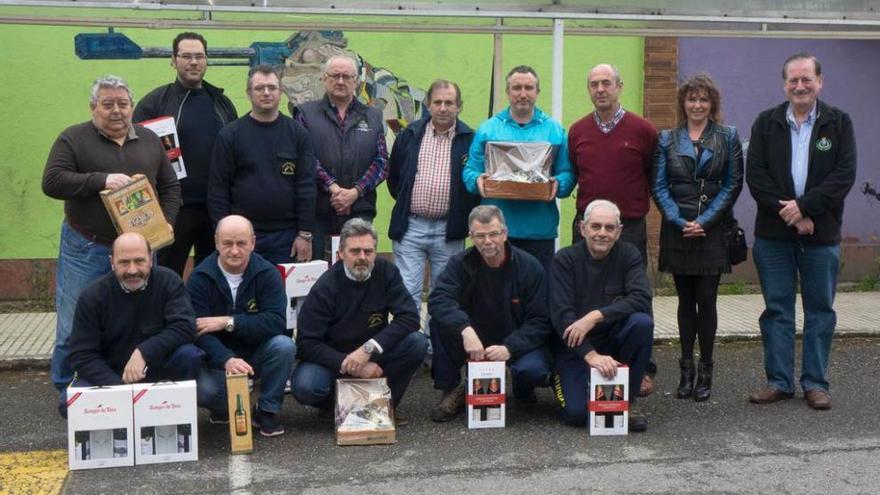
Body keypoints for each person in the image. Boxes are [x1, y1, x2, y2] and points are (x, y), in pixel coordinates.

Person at [42, 75, 182, 392]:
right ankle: (67, 387)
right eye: (107, 104)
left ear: (132, 107)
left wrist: (167, 220)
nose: (116, 111)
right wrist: (101, 180)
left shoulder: (149, 140)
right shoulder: (73, 139)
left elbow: (171, 187)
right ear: (94, 107)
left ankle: (135, 377)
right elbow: (52, 182)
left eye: (122, 104)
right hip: (87, 246)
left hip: (140, 249)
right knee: (73, 319)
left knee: (142, 317)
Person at [746, 53, 856, 410]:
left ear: (819, 82)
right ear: (784, 84)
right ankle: (779, 381)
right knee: (777, 310)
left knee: (820, 310)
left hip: (820, 236)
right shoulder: (766, 122)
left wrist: (806, 208)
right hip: (774, 237)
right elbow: (757, 177)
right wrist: (793, 215)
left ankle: (815, 383)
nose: (800, 85)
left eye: (806, 79)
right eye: (793, 80)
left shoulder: (839, 123)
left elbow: (843, 176)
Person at [568, 63, 659, 396]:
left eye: (606, 83)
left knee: (638, 298)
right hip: (587, 225)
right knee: (582, 293)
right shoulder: (577, 131)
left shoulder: (644, 130)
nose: (600, 89)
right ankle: (584, 354)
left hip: (629, 225)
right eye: (594, 84)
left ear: (620, 86)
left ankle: (643, 368)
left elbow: (653, 174)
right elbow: (576, 173)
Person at [652, 74, 744, 401]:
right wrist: (678, 220)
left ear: (712, 104)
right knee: (684, 302)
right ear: (683, 103)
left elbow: (733, 184)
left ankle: (706, 370)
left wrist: (704, 220)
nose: (697, 105)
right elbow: (659, 186)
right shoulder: (666, 138)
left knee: (707, 300)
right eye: (692, 99)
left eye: (703, 99)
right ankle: (685, 370)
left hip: (712, 230)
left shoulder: (728, 136)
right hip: (678, 231)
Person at [292, 219, 427, 421]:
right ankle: (337, 408)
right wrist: (351, 365)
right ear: (341, 254)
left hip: (373, 354)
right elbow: (306, 343)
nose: (362, 257)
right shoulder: (324, 287)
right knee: (306, 385)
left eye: (368, 251)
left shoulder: (386, 272)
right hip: (333, 361)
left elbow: (410, 317)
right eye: (355, 251)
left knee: (417, 342)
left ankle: (384, 405)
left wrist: (369, 349)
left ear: (375, 252)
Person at [428, 205, 552, 422]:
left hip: (514, 338)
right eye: (480, 235)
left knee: (532, 370)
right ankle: (452, 389)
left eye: (493, 234)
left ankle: (523, 390)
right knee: (439, 324)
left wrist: (510, 347)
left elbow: (540, 320)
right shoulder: (459, 263)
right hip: (474, 338)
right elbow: (438, 300)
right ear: (471, 236)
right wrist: (464, 329)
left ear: (504, 233)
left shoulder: (530, 267)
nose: (487, 241)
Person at [60, 233, 200, 417]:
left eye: (139, 261)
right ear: (112, 262)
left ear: (151, 259)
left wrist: (143, 352)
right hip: (111, 373)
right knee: (67, 405)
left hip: (155, 368)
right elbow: (82, 355)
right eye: (124, 262)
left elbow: (185, 327)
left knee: (190, 355)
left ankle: (178, 414)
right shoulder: (92, 296)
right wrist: (122, 390)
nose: (132, 270)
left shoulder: (169, 281)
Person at [387, 79, 480, 357]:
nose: (442, 108)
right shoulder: (410, 134)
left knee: (444, 294)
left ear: (459, 106)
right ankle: (409, 349)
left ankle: (434, 350)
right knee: (408, 290)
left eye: (449, 103)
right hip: (411, 225)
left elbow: (475, 185)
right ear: (428, 105)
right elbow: (395, 179)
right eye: (437, 102)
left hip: (449, 229)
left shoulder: (470, 139)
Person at [134, 32, 238, 277]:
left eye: (199, 56)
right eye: (186, 56)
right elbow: (133, 151)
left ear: (206, 60)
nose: (194, 62)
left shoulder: (222, 103)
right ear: (173, 60)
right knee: (165, 277)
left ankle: (206, 318)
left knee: (212, 279)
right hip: (172, 211)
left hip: (215, 210)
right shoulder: (155, 102)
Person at [549, 200, 653, 431]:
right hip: (574, 348)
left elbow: (641, 298)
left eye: (609, 227)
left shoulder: (629, 255)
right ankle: (563, 378)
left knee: (641, 323)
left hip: (612, 342)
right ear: (582, 228)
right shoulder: (564, 259)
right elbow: (561, 315)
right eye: (595, 226)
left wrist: (594, 316)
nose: (602, 233)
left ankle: (628, 398)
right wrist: (590, 355)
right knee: (576, 415)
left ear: (619, 232)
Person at [188, 215, 295, 437]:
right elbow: (198, 331)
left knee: (284, 346)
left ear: (253, 243)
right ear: (216, 242)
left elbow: (276, 322)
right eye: (227, 244)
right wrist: (226, 359)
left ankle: (266, 411)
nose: (234, 251)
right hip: (218, 360)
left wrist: (228, 322)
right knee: (208, 392)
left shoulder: (268, 274)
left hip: (256, 354)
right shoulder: (199, 278)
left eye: (241, 243)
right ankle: (221, 409)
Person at [463, 65, 575, 271]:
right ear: (507, 92)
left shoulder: (554, 131)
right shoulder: (488, 129)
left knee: (538, 293)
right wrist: (477, 180)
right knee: (496, 294)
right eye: (516, 88)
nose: (523, 94)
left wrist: (558, 184)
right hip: (496, 230)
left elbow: (567, 174)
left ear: (537, 92)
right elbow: (470, 170)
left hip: (539, 230)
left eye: (529, 88)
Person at [208, 64, 316, 265]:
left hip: (287, 237)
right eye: (259, 88)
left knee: (283, 296)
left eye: (272, 87)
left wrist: (305, 234)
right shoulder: (230, 135)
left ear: (281, 92)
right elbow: (218, 190)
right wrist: (223, 234)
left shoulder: (298, 134)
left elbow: (306, 186)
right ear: (248, 93)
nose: (266, 93)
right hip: (241, 238)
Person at [293, 55, 389, 262]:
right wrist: (334, 189)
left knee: (357, 268)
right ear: (324, 79)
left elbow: (381, 162)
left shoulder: (373, 116)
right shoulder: (305, 113)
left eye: (346, 76)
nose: (340, 81)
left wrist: (355, 192)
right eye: (334, 75)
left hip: (360, 208)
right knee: (318, 272)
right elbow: (306, 158)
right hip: (318, 210)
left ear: (356, 81)